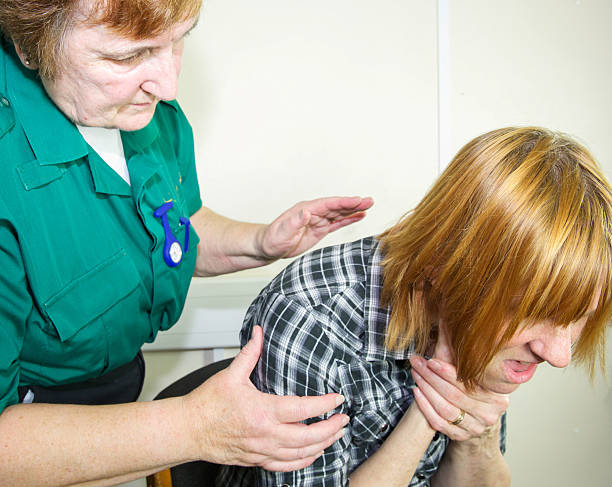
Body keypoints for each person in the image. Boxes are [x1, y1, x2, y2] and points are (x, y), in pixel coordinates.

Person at [0, 1, 374, 486]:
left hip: (116, 415)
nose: (168, 85)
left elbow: (173, 225)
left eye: (177, 41)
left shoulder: (143, 112)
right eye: (125, 57)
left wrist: (260, 242)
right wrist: (198, 427)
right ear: (32, 45)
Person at [218, 126, 612, 486]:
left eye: (580, 315)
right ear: (447, 266)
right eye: (534, 313)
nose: (560, 355)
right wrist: (428, 413)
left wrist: (478, 435)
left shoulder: (494, 308)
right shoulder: (310, 316)